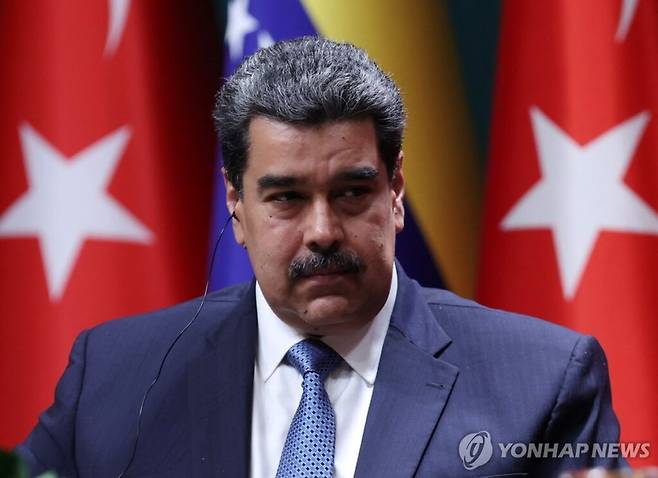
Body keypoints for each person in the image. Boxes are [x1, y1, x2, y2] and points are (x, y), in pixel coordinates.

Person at [16, 37, 625, 478]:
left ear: (395, 192)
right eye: (286, 198)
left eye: (352, 193)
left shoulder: (544, 381)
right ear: (236, 203)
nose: (323, 231)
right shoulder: (114, 374)